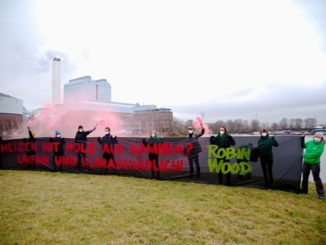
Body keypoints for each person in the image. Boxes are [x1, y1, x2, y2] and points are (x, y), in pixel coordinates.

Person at [301, 132, 325, 199]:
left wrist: (305, 155)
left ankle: (321, 194)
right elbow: (303, 145)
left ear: (321, 138)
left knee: (316, 178)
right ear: (314, 137)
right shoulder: (310, 142)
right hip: (306, 163)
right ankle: (304, 191)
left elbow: (316, 154)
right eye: (317, 136)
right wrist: (302, 138)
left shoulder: (321, 145)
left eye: (319, 137)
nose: (318, 138)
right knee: (305, 177)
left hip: (315, 164)